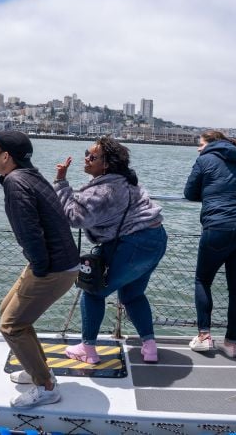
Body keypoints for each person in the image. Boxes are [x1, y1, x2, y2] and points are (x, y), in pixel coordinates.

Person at [54, 136, 167, 364]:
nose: (86, 158)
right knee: (133, 294)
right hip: (156, 238)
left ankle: (88, 349)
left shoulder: (103, 190)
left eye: (92, 156)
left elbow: (74, 218)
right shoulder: (126, 181)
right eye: (87, 153)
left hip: (132, 243)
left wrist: (61, 182)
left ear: (106, 164)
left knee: (93, 290)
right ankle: (150, 346)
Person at [0, 131, 79, 409]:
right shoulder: (30, 175)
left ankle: (46, 387)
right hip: (56, 262)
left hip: (53, 267)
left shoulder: (16, 183)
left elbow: (29, 232)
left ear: (6, 156)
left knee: (11, 325)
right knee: (9, 312)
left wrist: (39, 268)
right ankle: (38, 371)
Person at [184, 130, 236, 358]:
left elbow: (189, 193)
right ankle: (231, 344)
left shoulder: (204, 160)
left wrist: (210, 195)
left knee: (202, 280)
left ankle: (204, 336)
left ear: (211, 144)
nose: (198, 148)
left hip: (218, 227)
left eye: (201, 143)